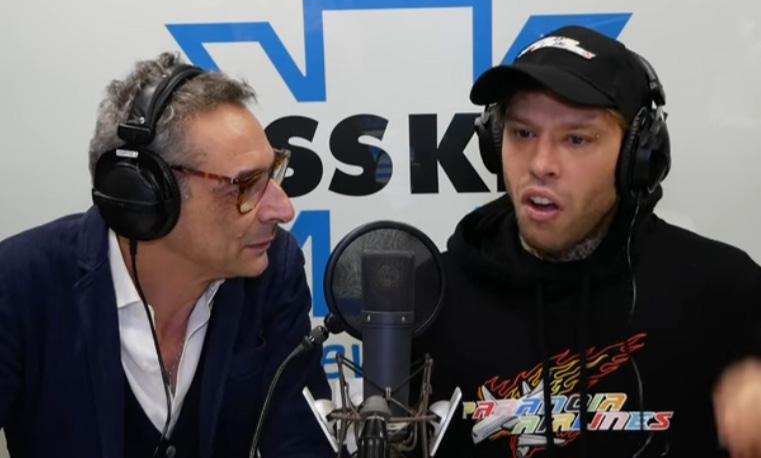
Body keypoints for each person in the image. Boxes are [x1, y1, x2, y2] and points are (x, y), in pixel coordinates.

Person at [413, 26, 761, 458]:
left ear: (637, 157)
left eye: (576, 139)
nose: (541, 164)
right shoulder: (429, 300)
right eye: (522, 133)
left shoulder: (725, 294)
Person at [0, 53, 334, 458]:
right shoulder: (18, 285)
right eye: (246, 185)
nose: (283, 210)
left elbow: (303, 445)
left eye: (273, 172)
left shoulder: (274, 271)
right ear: (144, 195)